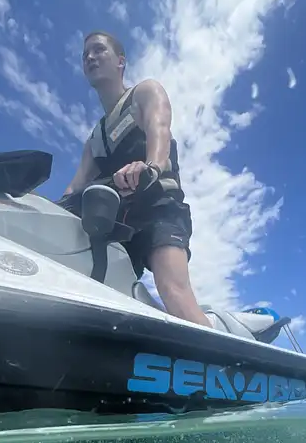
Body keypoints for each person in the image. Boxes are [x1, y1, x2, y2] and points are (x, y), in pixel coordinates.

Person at [62, 31, 210, 327]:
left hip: (160, 208)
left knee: (174, 293)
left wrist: (151, 167)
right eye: (85, 54)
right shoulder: (95, 139)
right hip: (118, 224)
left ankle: (225, 367)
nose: (89, 57)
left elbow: (160, 128)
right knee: (94, 288)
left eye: (98, 50)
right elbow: (75, 187)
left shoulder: (145, 93)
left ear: (120, 62)